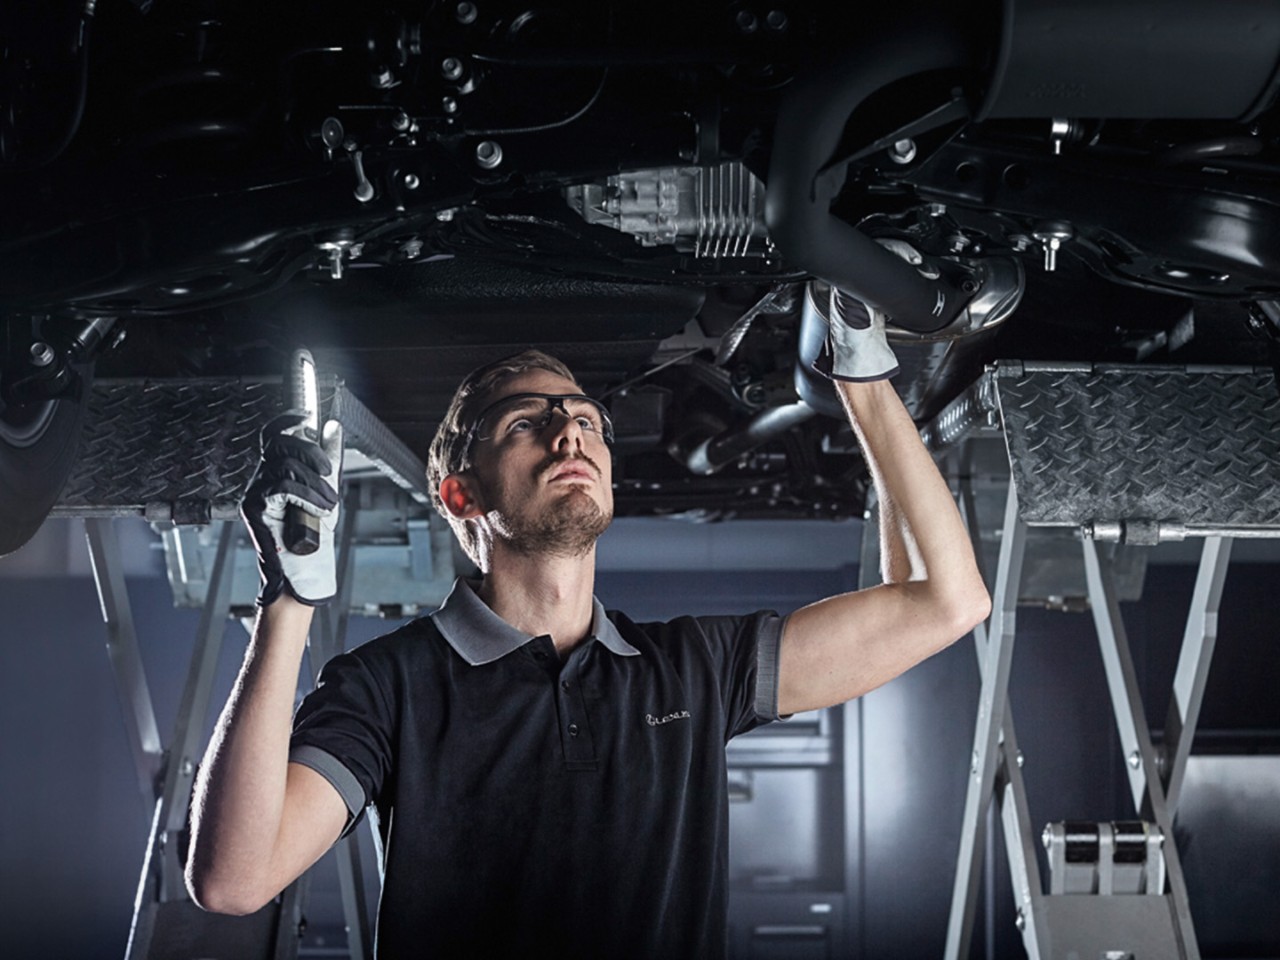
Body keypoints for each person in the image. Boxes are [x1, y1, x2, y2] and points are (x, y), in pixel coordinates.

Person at [184, 295, 991, 958]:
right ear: (463, 496)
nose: (571, 432)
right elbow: (234, 879)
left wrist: (859, 375)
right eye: (526, 424)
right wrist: (287, 600)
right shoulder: (387, 686)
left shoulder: (694, 668)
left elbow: (944, 600)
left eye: (585, 420)